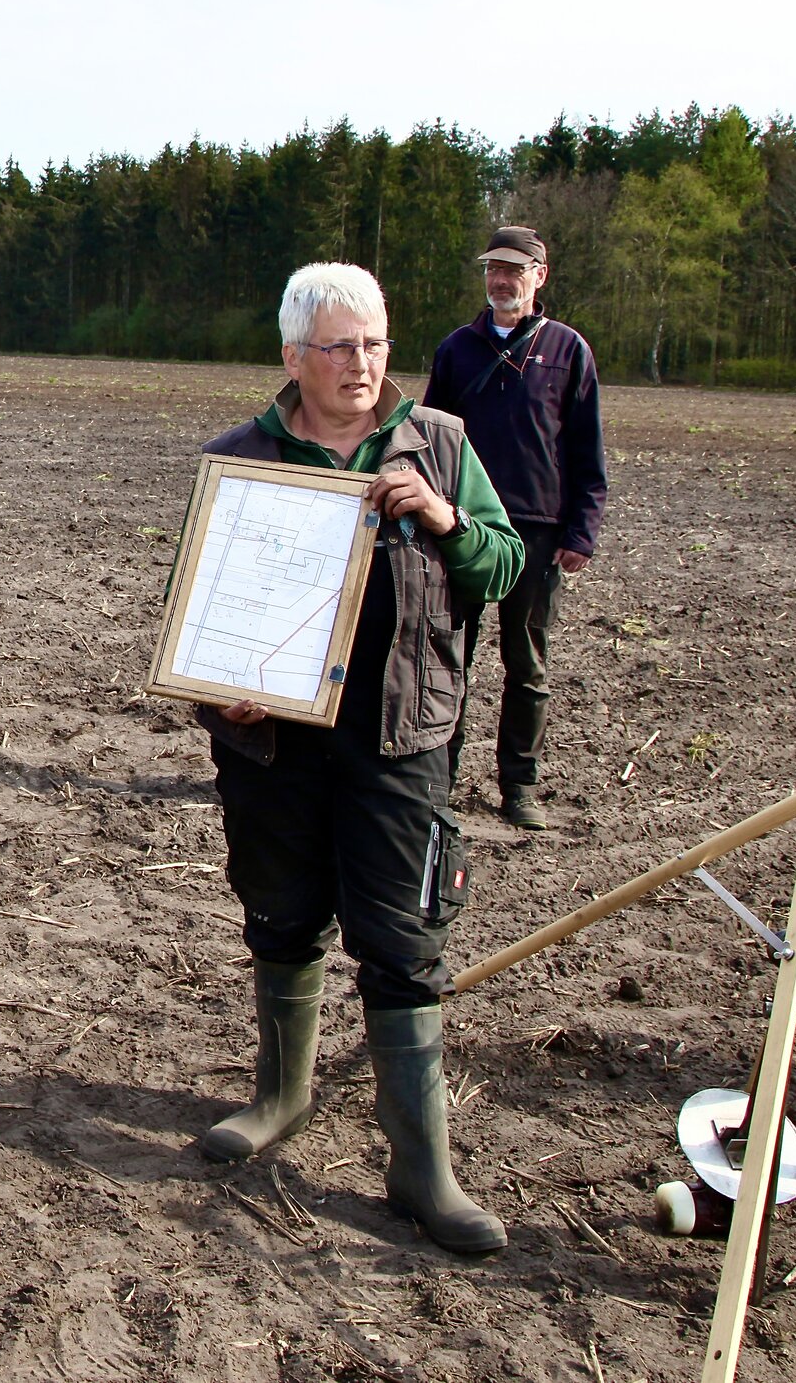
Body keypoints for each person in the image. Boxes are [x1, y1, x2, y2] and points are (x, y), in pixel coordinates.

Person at [194, 262, 522, 1255]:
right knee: (280, 910)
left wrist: (443, 515)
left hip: (399, 738)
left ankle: (421, 1166)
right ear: (294, 354)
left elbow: (503, 564)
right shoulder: (241, 455)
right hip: (272, 742)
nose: (361, 362)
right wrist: (217, 684)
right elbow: (200, 608)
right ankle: (279, 1095)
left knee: (401, 935)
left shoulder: (442, 445)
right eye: (339, 346)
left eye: (375, 341)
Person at [422, 224, 607, 830]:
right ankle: (437, 780)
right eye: (493, 270)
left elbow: (586, 450)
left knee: (527, 664)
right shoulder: (456, 350)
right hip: (464, 529)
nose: (501, 281)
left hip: (537, 533)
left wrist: (580, 532)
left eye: (514, 270)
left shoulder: (568, 350)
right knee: (451, 657)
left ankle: (518, 786)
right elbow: (430, 441)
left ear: (538, 276)